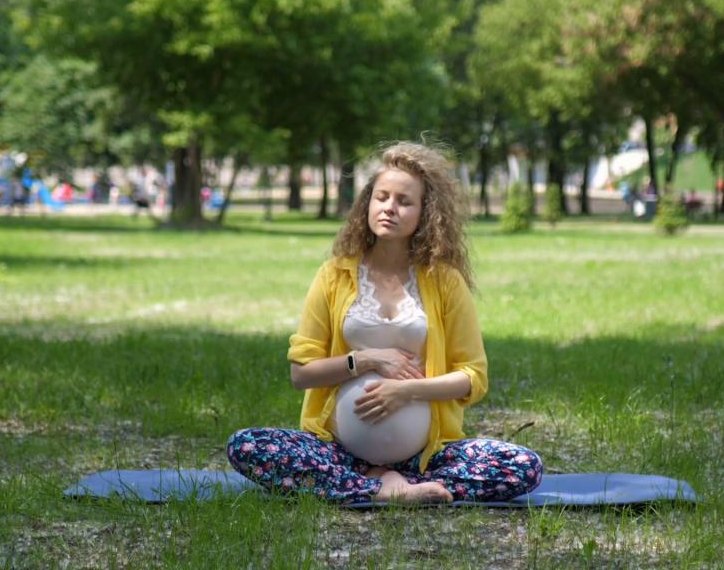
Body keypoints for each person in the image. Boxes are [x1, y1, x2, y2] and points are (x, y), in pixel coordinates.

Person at [227, 143, 543, 504]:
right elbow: (301, 374)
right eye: (381, 197)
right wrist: (366, 360)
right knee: (247, 445)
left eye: (404, 201)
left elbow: (473, 378)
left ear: (426, 213)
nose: (389, 208)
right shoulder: (334, 275)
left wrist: (406, 391)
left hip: (426, 457)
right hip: (338, 450)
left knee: (524, 464)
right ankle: (380, 487)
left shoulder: (445, 281)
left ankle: (385, 483)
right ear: (367, 204)